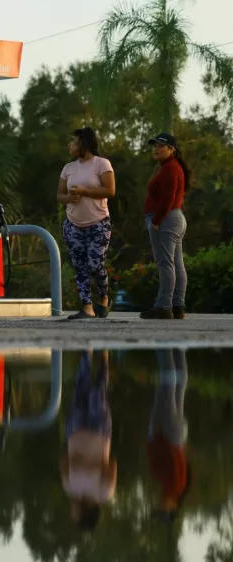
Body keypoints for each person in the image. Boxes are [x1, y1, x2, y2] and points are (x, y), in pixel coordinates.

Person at [57, 127, 116, 320]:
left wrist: (84, 191)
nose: (69, 145)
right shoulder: (68, 168)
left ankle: (104, 297)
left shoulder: (102, 164)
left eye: (73, 141)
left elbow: (110, 191)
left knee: (95, 264)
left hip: (98, 223)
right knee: (79, 267)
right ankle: (87, 307)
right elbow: (59, 195)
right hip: (73, 224)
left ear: (83, 144)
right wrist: (68, 198)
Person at [59, 349, 117, 532]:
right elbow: (113, 465)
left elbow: (63, 461)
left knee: (80, 390)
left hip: (75, 432)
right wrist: (85, 463)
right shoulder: (104, 493)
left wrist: (88, 464)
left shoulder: (70, 489)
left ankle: (86, 355)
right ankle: (104, 359)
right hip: (99, 432)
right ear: (85, 514)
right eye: (75, 516)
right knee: (98, 393)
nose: (71, 513)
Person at [140, 133, 189, 320]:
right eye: (154, 145)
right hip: (174, 218)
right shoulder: (169, 167)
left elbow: (167, 198)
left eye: (161, 145)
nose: (156, 148)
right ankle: (178, 306)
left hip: (166, 219)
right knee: (176, 264)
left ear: (171, 149)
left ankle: (164, 306)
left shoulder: (170, 168)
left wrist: (156, 221)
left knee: (165, 263)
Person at [147, 348, 190, 523]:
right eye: (162, 509)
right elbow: (171, 457)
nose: (158, 505)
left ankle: (179, 349)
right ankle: (165, 345)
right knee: (168, 384)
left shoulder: (176, 487)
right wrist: (158, 437)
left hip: (178, 436)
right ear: (173, 506)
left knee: (179, 387)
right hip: (167, 434)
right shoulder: (173, 487)